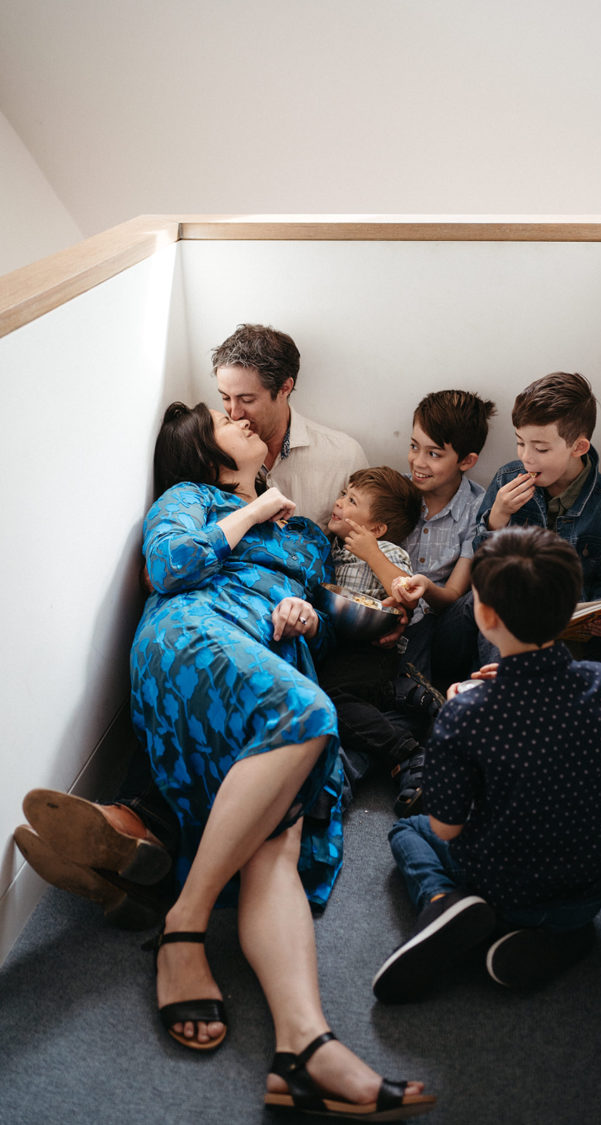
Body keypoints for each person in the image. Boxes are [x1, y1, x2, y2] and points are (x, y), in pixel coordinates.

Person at [20, 402, 435, 1119]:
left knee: (277, 840)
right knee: (310, 713)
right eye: (223, 417)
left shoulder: (304, 532)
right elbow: (170, 567)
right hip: (194, 639)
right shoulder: (191, 500)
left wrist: (364, 608)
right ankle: (184, 924)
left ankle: (304, 1045)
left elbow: (339, 613)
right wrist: (253, 507)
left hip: (268, 662)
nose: (241, 418)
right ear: (201, 451)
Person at [372, 527, 601, 1004]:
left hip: (506, 885)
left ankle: (441, 902)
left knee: (409, 832)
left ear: (485, 614)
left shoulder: (466, 716)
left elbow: (446, 828)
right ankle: (565, 938)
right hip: (595, 886)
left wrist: (459, 719)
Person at [473, 370, 601, 665]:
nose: (526, 457)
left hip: (563, 629)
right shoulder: (507, 479)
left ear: (578, 447)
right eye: (520, 443)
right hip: (507, 618)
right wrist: (499, 515)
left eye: (540, 448)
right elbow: (480, 562)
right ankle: (498, 694)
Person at [316, 467, 438, 816]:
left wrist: (372, 553)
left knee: (328, 702)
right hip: (340, 648)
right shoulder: (331, 547)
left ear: (376, 529)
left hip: (372, 650)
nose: (339, 503)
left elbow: (406, 592)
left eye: (351, 500)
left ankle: (408, 751)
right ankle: (398, 694)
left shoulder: (386, 550)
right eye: (343, 493)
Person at [388, 389, 496, 689]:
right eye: (414, 446)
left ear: (466, 460)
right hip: (388, 614)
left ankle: (496, 690)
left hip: (443, 628)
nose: (418, 462)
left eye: (433, 454)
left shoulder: (477, 507)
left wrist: (423, 588)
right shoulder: (393, 490)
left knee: (482, 597)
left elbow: (451, 594)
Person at [213, 323, 368, 529]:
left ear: (285, 388)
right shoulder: (212, 455)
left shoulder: (345, 457)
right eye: (225, 397)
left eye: (247, 399)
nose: (234, 413)